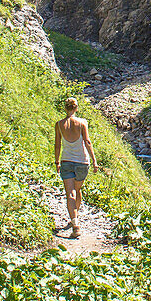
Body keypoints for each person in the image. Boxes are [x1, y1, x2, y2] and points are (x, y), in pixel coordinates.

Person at [54, 97, 98, 237]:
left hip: (66, 161)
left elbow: (57, 144)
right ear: (76, 108)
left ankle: (75, 222)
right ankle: (75, 219)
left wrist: (57, 162)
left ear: (65, 108)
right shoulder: (82, 122)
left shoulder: (59, 124)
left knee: (70, 193)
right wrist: (94, 161)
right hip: (82, 162)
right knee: (77, 190)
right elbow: (87, 142)